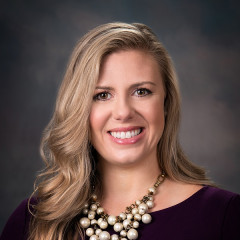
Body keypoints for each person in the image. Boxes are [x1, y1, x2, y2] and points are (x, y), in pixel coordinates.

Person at [1, 22, 240, 240]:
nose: (123, 112)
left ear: (166, 103)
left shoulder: (225, 216)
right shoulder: (32, 219)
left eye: (141, 91)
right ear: (80, 108)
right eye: (102, 95)